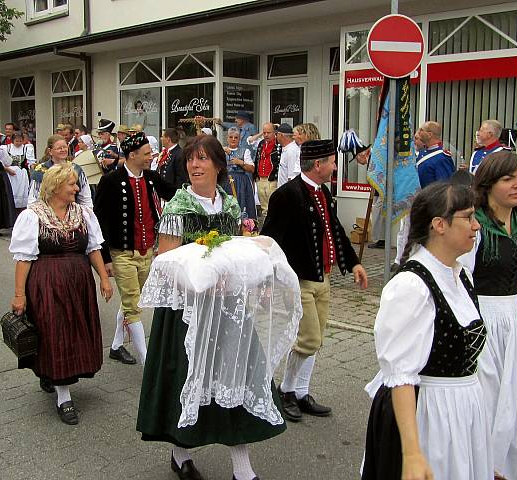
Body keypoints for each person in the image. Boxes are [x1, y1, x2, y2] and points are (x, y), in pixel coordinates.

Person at [137, 134, 292, 480]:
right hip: (187, 314)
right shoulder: (178, 207)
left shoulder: (230, 204)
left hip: (229, 310)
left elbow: (240, 254)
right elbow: (165, 263)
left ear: (219, 165)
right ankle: (180, 454)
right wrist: (202, 281)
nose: (195, 165)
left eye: (203, 159)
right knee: (186, 381)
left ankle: (243, 468)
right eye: (191, 159)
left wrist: (256, 282)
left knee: (237, 377)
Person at [361, 182, 490, 480]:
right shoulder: (411, 287)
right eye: (468, 217)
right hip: (430, 415)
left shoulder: (462, 275)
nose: (476, 225)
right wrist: (413, 454)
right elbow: (401, 377)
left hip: (462, 412)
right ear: (439, 225)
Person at [261, 139, 368, 421]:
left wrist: (354, 262)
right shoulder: (287, 195)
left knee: (316, 339)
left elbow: (336, 230)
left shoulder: (323, 192)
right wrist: (271, 281)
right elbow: (270, 241)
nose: (335, 166)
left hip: (323, 278)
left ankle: (301, 391)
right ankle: (286, 390)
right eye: (333, 161)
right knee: (308, 338)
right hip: (300, 280)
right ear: (318, 164)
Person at [463, 151, 517, 479]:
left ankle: (512, 470)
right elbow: (461, 280)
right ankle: (481, 469)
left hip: (511, 322)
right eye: (508, 179)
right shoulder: (475, 225)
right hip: (480, 319)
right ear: (487, 184)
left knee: (516, 402)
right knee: (485, 403)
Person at [9, 163, 113, 425]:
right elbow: (23, 259)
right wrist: (19, 295)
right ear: (55, 186)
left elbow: (93, 248)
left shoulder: (83, 213)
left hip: (78, 282)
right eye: (72, 184)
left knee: (75, 331)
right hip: (47, 282)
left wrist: (103, 278)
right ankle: (64, 396)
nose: (77, 188)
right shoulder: (33, 215)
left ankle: (54, 375)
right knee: (54, 332)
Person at [94, 132, 176, 366]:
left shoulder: (151, 178)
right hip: (122, 253)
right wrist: (105, 258)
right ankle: (148, 362)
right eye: (147, 153)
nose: (151, 156)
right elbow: (100, 221)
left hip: (147, 252)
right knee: (133, 304)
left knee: (133, 300)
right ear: (132, 155)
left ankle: (117, 346)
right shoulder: (110, 181)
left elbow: (174, 194)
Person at [395, 121, 457, 262]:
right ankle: (400, 260)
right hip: (414, 201)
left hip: (429, 204)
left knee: (424, 234)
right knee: (406, 231)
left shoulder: (442, 157)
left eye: (421, 129)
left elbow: (444, 184)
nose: (418, 132)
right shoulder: (421, 153)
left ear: (430, 134)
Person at [29, 135, 93, 208]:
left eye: (65, 147)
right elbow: (33, 198)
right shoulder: (40, 170)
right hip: (47, 213)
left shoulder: (76, 169)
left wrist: (88, 214)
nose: (63, 150)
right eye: (59, 148)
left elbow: (85, 197)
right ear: (50, 151)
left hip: (72, 213)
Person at [221, 127, 256, 219]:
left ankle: (244, 227)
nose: (233, 139)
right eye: (231, 137)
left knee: (242, 204)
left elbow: (252, 169)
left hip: (241, 181)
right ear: (227, 138)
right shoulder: (221, 151)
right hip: (225, 181)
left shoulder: (245, 151)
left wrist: (241, 162)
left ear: (239, 139)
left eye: (236, 137)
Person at [251, 122, 281, 219]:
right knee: (264, 208)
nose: (266, 135)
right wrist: (255, 176)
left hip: (272, 179)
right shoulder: (261, 143)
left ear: (274, 133)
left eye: (269, 132)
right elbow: (257, 159)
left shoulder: (279, 144)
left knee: (273, 207)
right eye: (264, 133)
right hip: (260, 179)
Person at [276, 123, 300, 187]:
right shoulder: (286, 149)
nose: (276, 137)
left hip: (287, 192)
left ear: (281, 135)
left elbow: (292, 177)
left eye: (277, 134)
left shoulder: (291, 151)